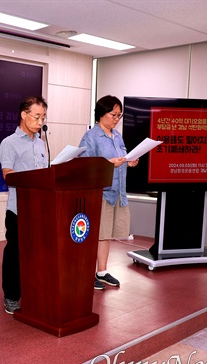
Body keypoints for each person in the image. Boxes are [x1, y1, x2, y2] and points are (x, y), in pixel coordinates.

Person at [78, 95, 139, 290]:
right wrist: (109, 163)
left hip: (117, 192)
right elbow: (85, 165)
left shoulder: (117, 136)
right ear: (101, 113)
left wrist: (130, 161)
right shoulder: (91, 137)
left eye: (119, 115)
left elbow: (122, 157)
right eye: (113, 114)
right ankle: (86, 273)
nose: (116, 119)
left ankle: (102, 271)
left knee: (106, 234)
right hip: (100, 193)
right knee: (96, 234)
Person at [0, 96, 48, 314]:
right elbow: (8, 175)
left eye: (43, 117)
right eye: (37, 116)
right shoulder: (9, 143)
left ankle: (33, 289)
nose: (40, 122)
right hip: (18, 209)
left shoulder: (40, 143)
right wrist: (32, 177)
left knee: (38, 253)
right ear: (24, 115)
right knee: (15, 254)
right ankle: (11, 296)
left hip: (41, 208)